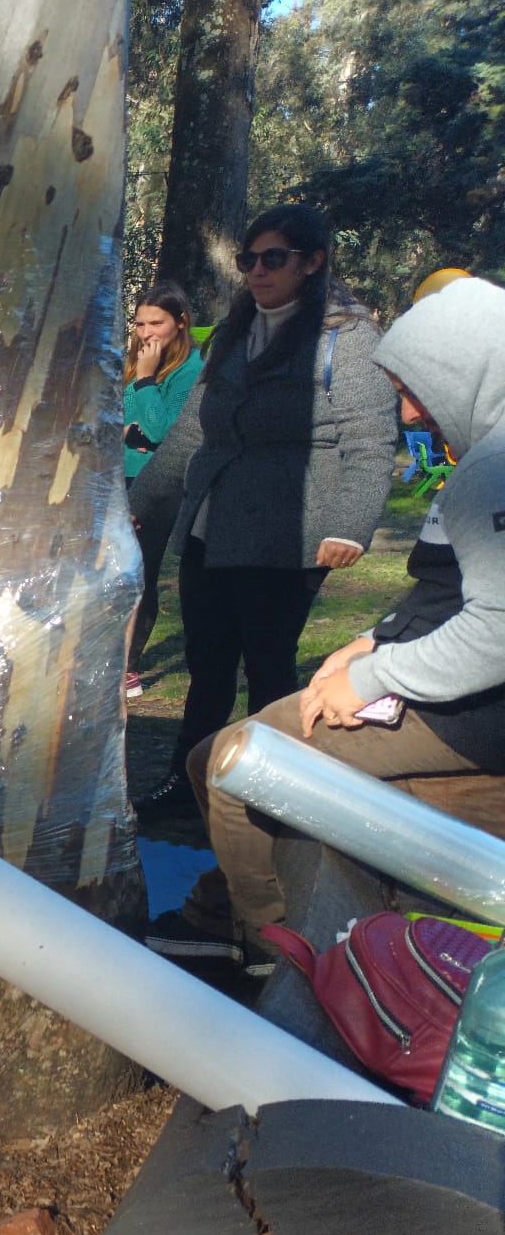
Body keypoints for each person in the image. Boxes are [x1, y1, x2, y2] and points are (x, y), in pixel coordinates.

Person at [147, 276, 505, 963]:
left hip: (470, 715)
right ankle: (224, 915)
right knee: (206, 756)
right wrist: (368, 640)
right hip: (440, 687)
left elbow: (494, 629)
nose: (407, 416)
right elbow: (445, 592)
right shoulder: (483, 464)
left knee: (237, 763)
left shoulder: (491, 470)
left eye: (414, 391)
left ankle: (281, 957)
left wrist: (375, 677)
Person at [133, 205, 399, 812]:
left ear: (312, 262)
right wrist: (140, 502)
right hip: (211, 526)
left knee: (268, 668)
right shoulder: (235, 328)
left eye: (273, 258)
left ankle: (266, 794)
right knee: (207, 664)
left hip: (290, 531)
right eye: (248, 259)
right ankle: (187, 784)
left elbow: (368, 440)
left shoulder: (347, 338)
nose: (257, 270)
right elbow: (191, 432)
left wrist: (351, 528)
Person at [121, 283, 203, 699]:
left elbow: (162, 431)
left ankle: (128, 668)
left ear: (180, 323)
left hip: (158, 484)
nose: (147, 332)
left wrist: (149, 379)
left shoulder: (192, 371)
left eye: (157, 323)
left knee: (139, 572)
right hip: (118, 477)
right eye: (140, 323)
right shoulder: (131, 363)